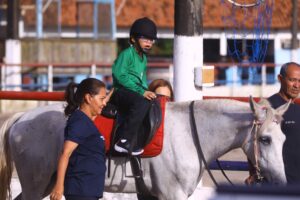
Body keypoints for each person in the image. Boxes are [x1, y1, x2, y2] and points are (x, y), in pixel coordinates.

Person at [50, 78, 107, 200]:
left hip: (89, 190)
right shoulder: (79, 122)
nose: (104, 103)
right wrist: (59, 187)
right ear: (88, 98)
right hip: (81, 190)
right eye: (102, 99)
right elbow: (65, 153)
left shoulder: (86, 121)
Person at [246, 62, 300, 184]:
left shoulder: (298, 109)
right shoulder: (266, 107)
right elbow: (252, 142)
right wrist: (253, 173)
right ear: (280, 79)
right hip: (274, 185)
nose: (297, 85)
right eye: (292, 80)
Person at [110, 17, 157, 156]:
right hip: (121, 92)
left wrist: (147, 91)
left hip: (134, 92)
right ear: (133, 39)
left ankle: (138, 141)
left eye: (151, 40)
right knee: (141, 102)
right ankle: (123, 140)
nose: (149, 43)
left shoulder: (144, 58)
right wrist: (141, 92)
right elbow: (119, 75)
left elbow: (142, 80)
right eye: (145, 39)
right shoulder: (126, 54)